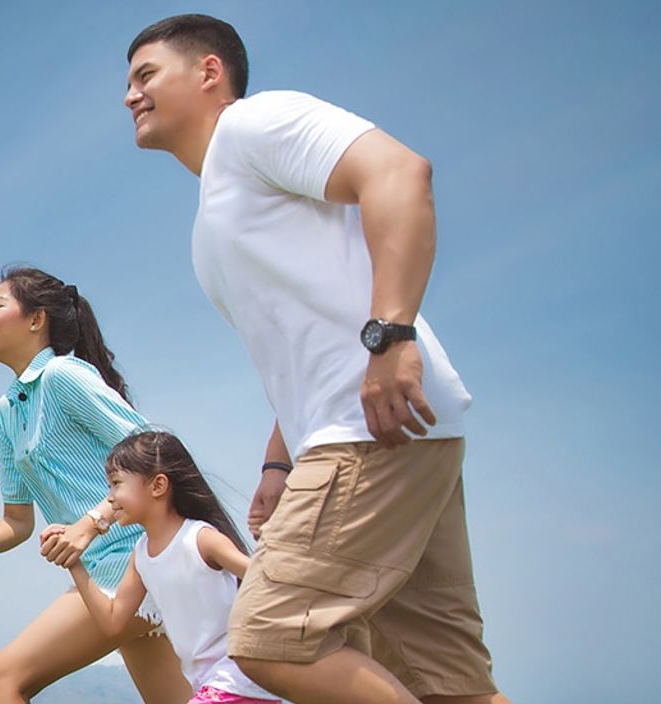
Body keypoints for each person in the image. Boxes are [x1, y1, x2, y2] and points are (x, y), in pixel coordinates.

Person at [120, 13, 508, 704]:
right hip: (391, 432)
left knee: (271, 637)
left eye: (146, 74)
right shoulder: (211, 221)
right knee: (448, 685)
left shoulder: (254, 126)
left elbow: (397, 172)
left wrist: (391, 334)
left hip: (367, 428)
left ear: (209, 72)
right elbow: (290, 352)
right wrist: (278, 462)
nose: (130, 95)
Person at [0, 266, 191, 704]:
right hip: (107, 576)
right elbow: (16, 521)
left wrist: (92, 522)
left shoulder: (63, 377)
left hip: (131, 565)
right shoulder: (7, 412)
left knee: (1, 680)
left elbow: (157, 451)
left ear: (36, 320)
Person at [66, 429, 278, 704]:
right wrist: (75, 565)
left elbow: (263, 579)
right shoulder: (141, 554)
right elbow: (112, 622)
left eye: (116, 483)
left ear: (158, 486)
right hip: (209, 686)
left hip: (238, 680)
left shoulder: (200, 539)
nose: (110, 498)